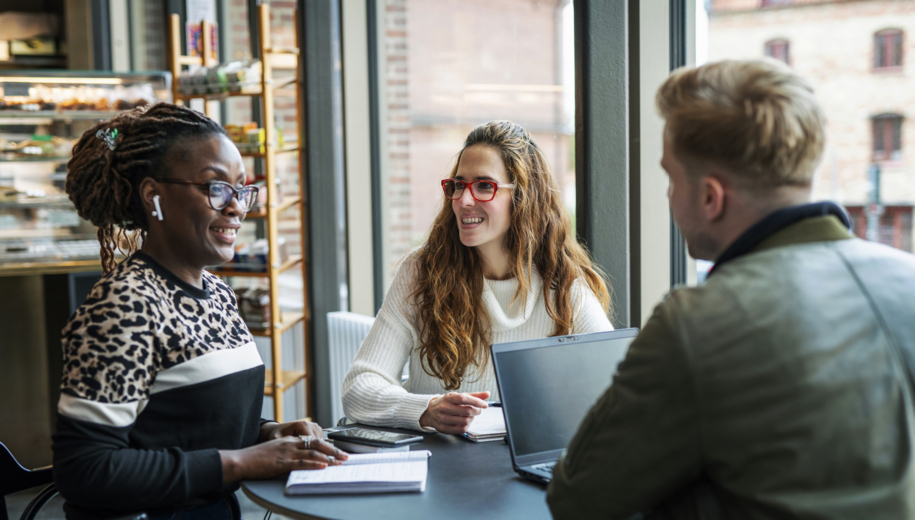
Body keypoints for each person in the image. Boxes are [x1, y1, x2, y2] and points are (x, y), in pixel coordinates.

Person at [547, 59, 915, 519]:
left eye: (670, 177)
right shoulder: (907, 278)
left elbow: (579, 500)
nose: (668, 196)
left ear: (710, 197)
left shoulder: (697, 323)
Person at [53, 103, 348, 520]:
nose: (236, 207)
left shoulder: (216, 292)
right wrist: (244, 462)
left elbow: (183, 422)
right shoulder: (123, 304)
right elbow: (86, 469)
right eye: (216, 188)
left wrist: (267, 433)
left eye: (242, 189)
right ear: (153, 196)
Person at [342, 120, 613, 434]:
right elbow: (358, 388)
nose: (463, 200)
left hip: (520, 469)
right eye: (458, 185)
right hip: (440, 465)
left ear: (524, 197)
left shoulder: (564, 284)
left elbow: (615, 388)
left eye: (484, 185)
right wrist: (426, 410)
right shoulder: (421, 271)